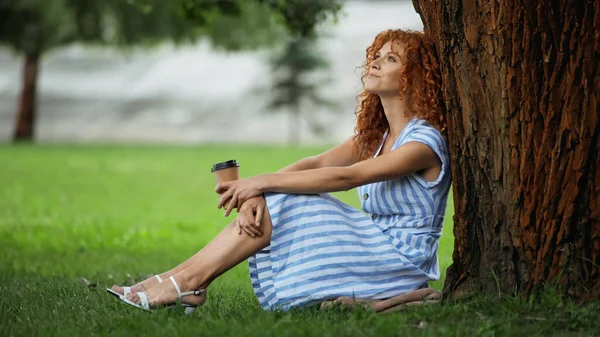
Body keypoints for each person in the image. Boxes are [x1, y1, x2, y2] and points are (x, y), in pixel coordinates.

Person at [110, 28, 451, 313]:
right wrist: (258, 191)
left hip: (400, 260)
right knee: (282, 195)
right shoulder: (375, 137)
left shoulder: (424, 143)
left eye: (391, 59)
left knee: (291, 199)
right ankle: (175, 278)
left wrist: (260, 184)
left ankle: (186, 284)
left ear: (414, 78)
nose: (375, 61)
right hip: (372, 247)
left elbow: (348, 178)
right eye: (377, 55)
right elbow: (314, 164)